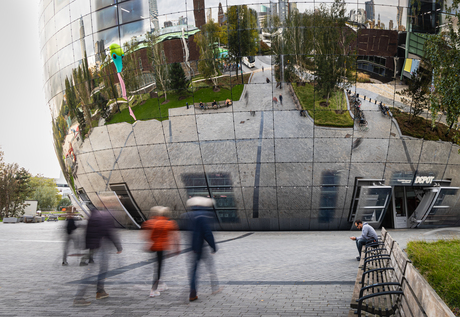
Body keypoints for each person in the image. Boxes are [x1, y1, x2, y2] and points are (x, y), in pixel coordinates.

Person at [74, 205, 123, 306]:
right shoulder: (106, 218)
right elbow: (111, 233)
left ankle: (100, 291)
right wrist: (118, 247)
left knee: (101, 269)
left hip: (95, 247)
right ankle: (79, 297)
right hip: (102, 246)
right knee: (94, 272)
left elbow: (87, 233)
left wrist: (88, 247)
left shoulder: (93, 217)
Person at [184, 197, 219, 302]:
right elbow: (207, 232)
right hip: (200, 246)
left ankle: (193, 292)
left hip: (194, 246)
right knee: (209, 265)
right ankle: (214, 287)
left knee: (194, 269)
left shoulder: (191, 215)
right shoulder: (203, 215)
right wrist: (213, 246)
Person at [142, 206, 180, 297]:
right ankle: (153, 289)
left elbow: (151, 236)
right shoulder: (170, 223)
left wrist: (154, 242)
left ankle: (161, 284)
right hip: (163, 248)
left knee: (159, 267)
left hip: (155, 246)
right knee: (158, 268)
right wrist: (177, 248)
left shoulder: (157, 222)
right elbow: (176, 237)